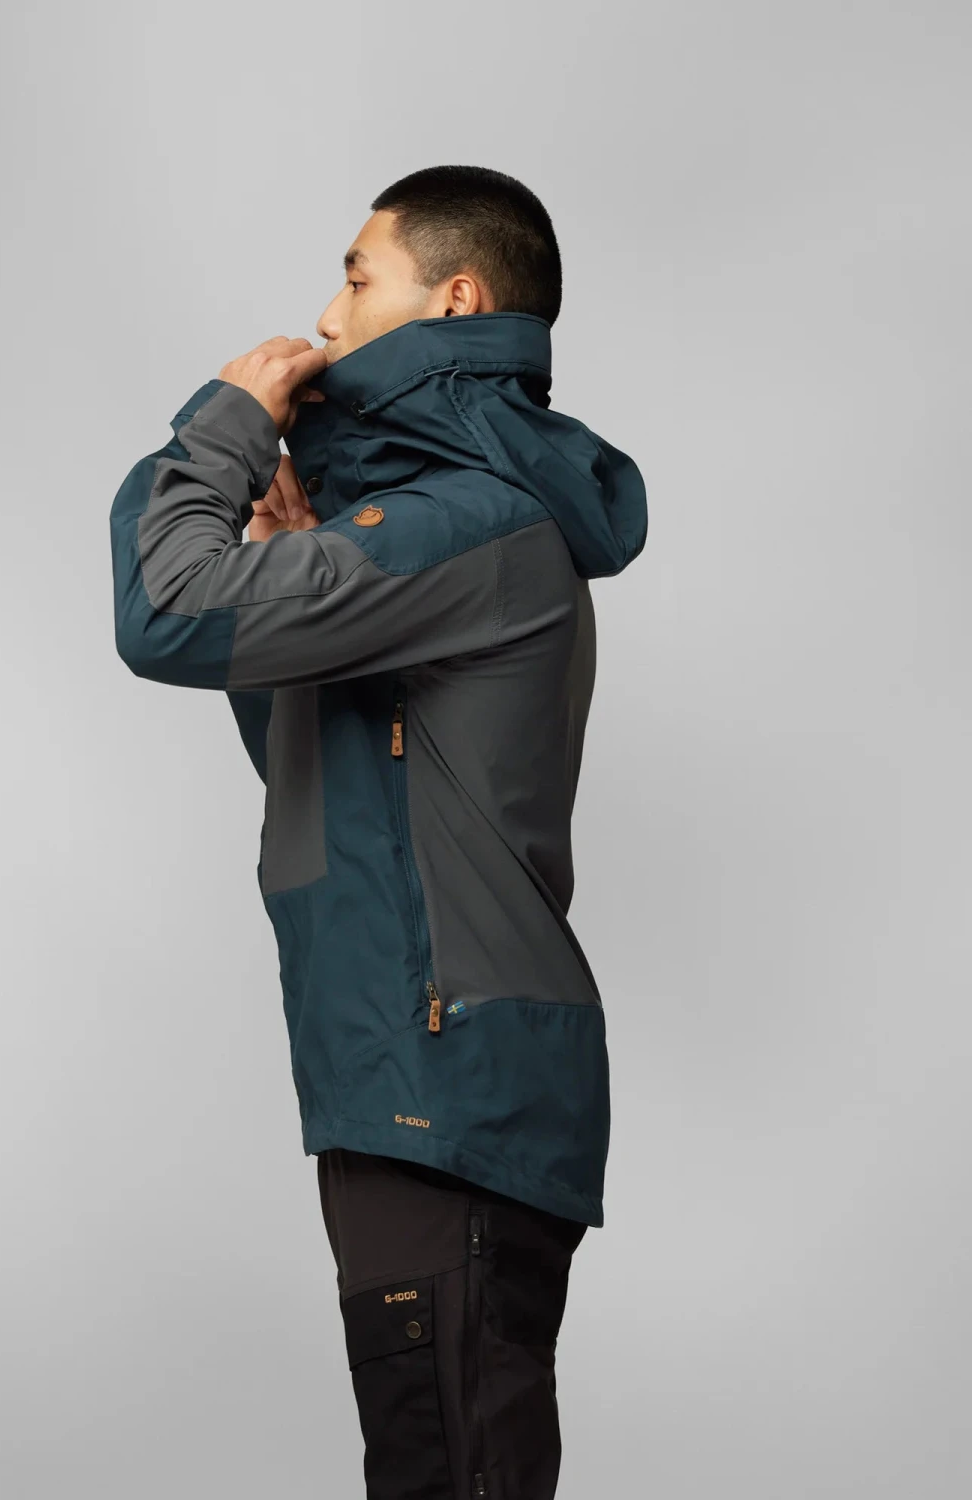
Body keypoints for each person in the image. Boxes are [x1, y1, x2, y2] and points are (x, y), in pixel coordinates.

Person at [108, 164, 647, 1499]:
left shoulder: (465, 524)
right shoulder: (426, 530)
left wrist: (225, 426)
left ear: (453, 301)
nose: (327, 315)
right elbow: (321, 782)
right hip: (407, 1071)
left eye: (357, 277)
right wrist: (296, 574)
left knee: (450, 1466)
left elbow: (164, 609)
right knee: (435, 1462)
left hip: (445, 1079)